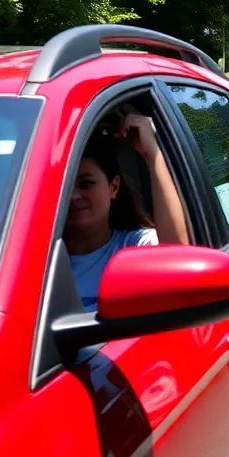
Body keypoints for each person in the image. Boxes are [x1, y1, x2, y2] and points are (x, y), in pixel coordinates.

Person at [65, 112, 190, 311]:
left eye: (86, 183)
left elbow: (178, 258)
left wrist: (153, 153)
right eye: (64, 187)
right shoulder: (32, 260)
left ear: (114, 187)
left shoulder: (133, 247)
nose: (73, 196)